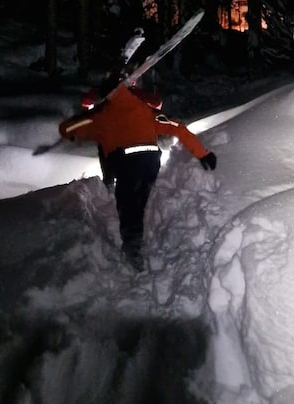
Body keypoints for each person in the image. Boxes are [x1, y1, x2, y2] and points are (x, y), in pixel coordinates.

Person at [59, 82, 217, 270]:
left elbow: (68, 128)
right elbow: (177, 127)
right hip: (150, 162)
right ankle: (137, 235)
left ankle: (133, 250)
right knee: (139, 202)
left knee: (127, 206)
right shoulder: (145, 110)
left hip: (126, 163)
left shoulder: (101, 117)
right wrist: (202, 153)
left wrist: (73, 127)